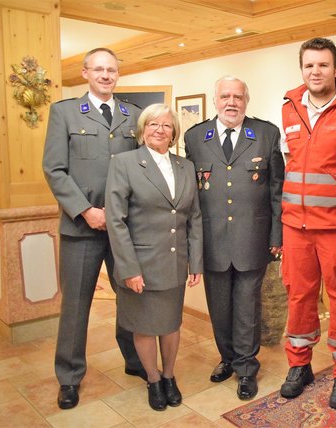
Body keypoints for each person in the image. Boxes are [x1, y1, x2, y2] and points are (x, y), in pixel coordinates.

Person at [42, 47, 145, 410]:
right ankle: (69, 378)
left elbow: (142, 167)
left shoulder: (133, 115)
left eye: (111, 70)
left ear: (118, 74)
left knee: (132, 299)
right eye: (98, 69)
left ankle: (136, 360)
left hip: (124, 229)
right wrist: (86, 210)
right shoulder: (65, 113)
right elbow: (54, 169)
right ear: (85, 72)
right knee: (75, 307)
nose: (105, 75)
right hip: (81, 229)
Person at [280, 37, 336, 409]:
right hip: (295, 225)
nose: (315, 72)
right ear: (302, 68)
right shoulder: (289, 108)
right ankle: (299, 365)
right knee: (298, 297)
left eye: (323, 65)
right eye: (309, 65)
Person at [184, 76, 284, 400]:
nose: (232, 102)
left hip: (252, 239)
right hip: (212, 240)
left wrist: (277, 234)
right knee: (220, 309)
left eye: (238, 97)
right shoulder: (196, 137)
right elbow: (191, 197)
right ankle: (227, 357)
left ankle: (245, 368)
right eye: (225, 96)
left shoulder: (266, 134)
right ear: (215, 100)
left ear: (246, 100)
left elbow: (277, 192)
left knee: (246, 308)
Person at [105, 104, 203, 411]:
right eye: (153, 124)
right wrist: (129, 268)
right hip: (141, 265)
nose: (159, 129)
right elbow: (116, 220)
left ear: (174, 132)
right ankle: (152, 379)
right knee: (145, 326)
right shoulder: (124, 163)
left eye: (166, 125)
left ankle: (169, 376)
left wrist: (195, 262)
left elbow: (194, 217)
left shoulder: (185, 166)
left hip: (175, 262)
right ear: (142, 128)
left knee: (171, 324)